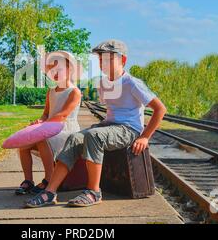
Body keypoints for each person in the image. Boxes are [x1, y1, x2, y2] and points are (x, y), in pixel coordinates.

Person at [25, 39, 167, 208]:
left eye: (108, 59)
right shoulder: (103, 83)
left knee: (94, 136)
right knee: (75, 138)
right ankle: (50, 192)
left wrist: (144, 137)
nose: (103, 63)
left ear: (123, 60)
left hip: (129, 129)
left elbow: (160, 109)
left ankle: (94, 191)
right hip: (110, 126)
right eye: (100, 60)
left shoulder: (132, 83)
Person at [15, 51, 82, 195]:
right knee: (23, 143)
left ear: (69, 69)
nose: (54, 73)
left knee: (42, 139)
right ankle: (28, 180)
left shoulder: (74, 92)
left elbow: (62, 115)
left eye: (59, 69)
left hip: (65, 131)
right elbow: (47, 113)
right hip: (49, 127)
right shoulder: (51, 92)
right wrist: (40, 121)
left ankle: (49, 179)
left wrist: (42, 127)